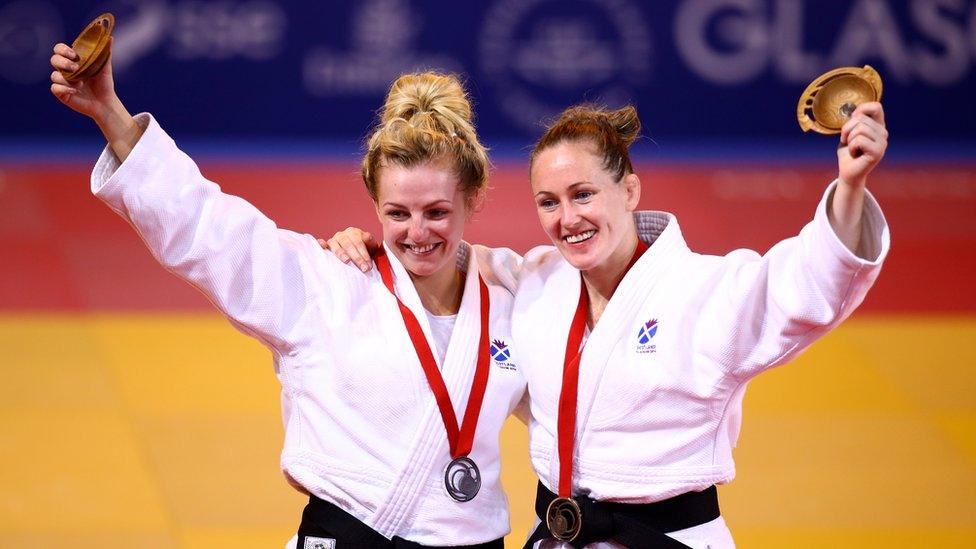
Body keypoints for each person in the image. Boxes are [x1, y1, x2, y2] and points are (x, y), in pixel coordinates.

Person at [326, 101, 889, 548]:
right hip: (557, 537)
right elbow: (442, 257)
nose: (567, 219)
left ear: (630, 189)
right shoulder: (536, 282)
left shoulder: (706, 290)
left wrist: (849, 190)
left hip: (666, 538)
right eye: (548, 202)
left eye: (583, 194)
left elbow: (799, 289)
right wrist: (371, 250)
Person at [49, 40, 527, 548]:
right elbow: (206, 226)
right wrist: (108, 111)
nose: (417, 233)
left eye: (436, 212)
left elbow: (600, 282)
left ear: (473, 199)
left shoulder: (514, 291)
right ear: (374, 203)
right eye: (397, 213)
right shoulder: (328, 280)